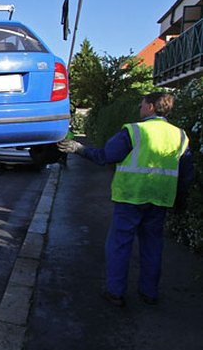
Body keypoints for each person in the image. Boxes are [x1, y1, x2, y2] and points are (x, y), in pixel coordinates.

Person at [58, 92, 194, 307]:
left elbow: (105, 156)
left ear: (150, 107)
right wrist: (181, 199)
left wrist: (79, 149)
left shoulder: (134, 131)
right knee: (152, 245)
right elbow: (187, 172)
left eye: (142, 104)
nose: (140, 108)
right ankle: (149, 293)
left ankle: (115, 292)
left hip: (131, 196)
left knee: (120, 244)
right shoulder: (180, 136)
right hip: (160, 198)